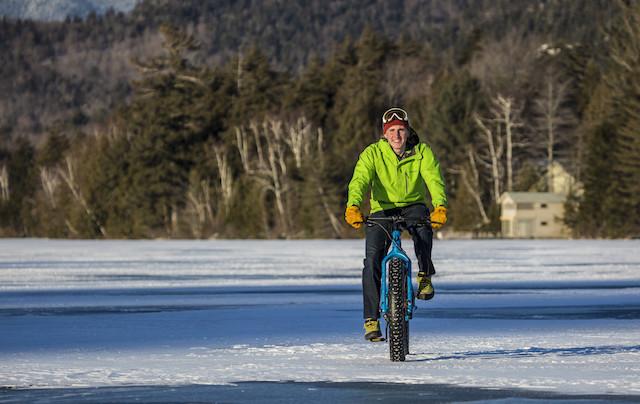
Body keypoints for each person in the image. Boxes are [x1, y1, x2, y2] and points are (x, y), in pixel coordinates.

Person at [344, 107, 448, 341]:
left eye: (401, 130)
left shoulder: (421, 152)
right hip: (382, 208)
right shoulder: (372, 153)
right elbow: (359, 180)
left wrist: (439, 205)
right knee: (372, 260)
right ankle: (371, 320)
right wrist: (354, 206)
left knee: (423, 230)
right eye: (391, 131)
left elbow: (434, 179)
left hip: (413, 205)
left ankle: (424, 276)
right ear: (385, 134)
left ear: (408, 130)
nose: (397, 136)